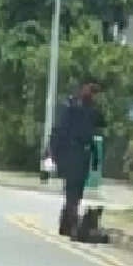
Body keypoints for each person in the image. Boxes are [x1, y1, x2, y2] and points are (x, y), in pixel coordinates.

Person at [48, 83, 105, 238]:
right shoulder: (72, 109)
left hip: (82, 153)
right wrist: (53, 153)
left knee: (76, 189)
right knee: (73, 188)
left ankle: (67, 222)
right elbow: (58, 131)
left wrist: (95, 158)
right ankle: (70, 221)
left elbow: (96, 129)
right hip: (71, 153)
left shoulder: (91, 111)